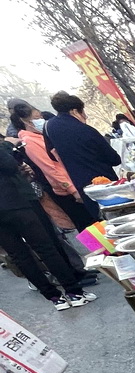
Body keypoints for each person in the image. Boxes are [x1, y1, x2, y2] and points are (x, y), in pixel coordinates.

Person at [0, 140, 94, 310]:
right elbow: (9, 166)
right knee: (45, 247)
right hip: (14, 203)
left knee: (19, 255)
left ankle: (54, 298)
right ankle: (74, 292)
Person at [9, 104, 95, 231]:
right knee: (86, 226)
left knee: (94, 222)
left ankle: (106, 248)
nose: (41, 120)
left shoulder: (42, 135)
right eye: (37, 117)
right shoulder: (29, 141)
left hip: (74, 181)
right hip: (66, 189)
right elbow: (49, 168)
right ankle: (100, 250)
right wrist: (72, 189)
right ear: (25, 121)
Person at [42, 92, 122, 220]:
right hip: (105, 182)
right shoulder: (86, 130)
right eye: (83, 111)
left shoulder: (49, 127)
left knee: (102, 221)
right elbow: (115, 159)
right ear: (74, 111)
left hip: (81, 184)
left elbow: (51, 155)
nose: (85, 115)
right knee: (117, 216)